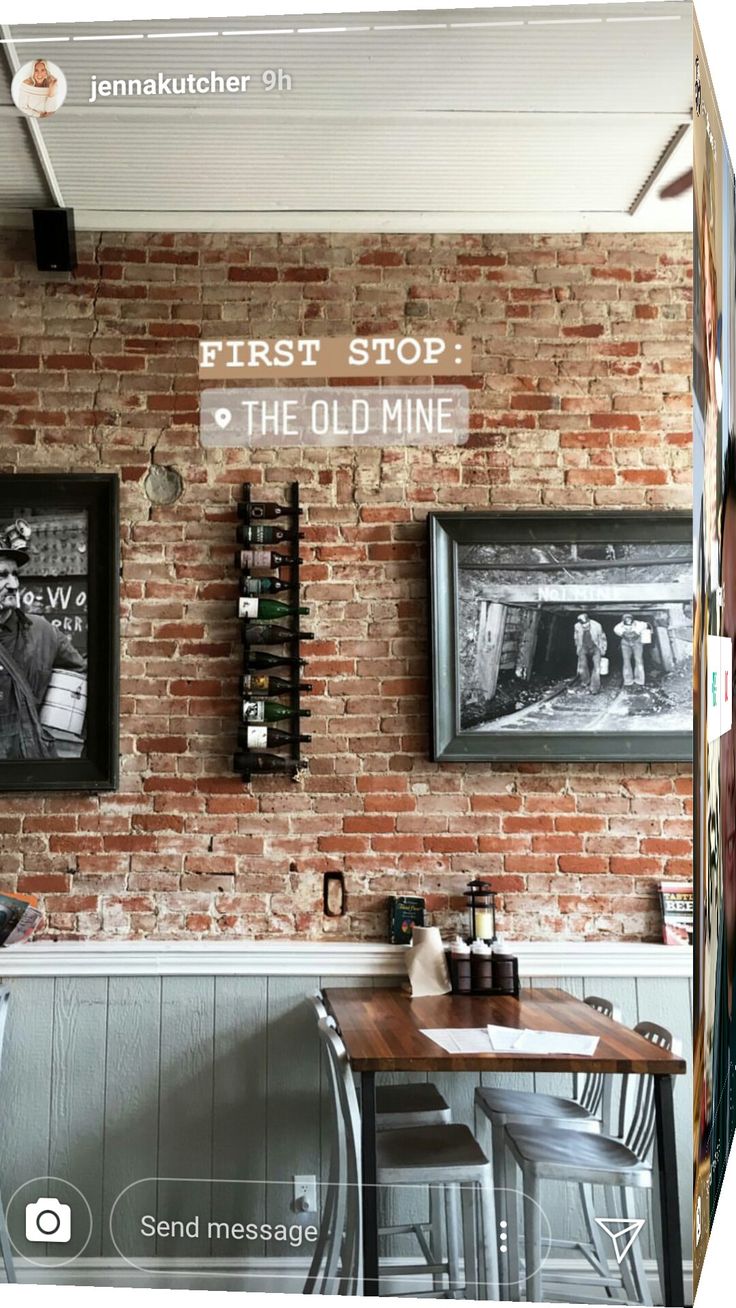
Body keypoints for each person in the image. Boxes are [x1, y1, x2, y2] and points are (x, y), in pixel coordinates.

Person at [0, 521, 86, 760]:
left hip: (32, 760)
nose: (13, 584)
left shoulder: (42, 631)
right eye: (2, 575)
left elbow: (81, 676)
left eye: (15, 575)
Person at [573, 612, 606, 695]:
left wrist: (603, 649)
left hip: (595, 646)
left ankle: (594, 687)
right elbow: (576, 638)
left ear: (589, 621)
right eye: (583, 624)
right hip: (583, 646)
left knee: (597, 667)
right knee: (582, 665)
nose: (585, 626)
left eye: (587, 623)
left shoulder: (597, 625)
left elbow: (602, 637)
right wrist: (578, 649)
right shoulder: (577, 626)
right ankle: (585, 682)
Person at [613, 612, 649, 688]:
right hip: (625, 643)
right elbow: (617, 631)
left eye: (630, 619)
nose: (628, 620)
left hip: (637, 642)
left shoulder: (639, 624)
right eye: (626, 619)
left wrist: (637, 632)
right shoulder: (618, 627)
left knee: (638, 660)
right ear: (623, 620)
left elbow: (646, 625)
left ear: (632, 619)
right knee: (626, 661)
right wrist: (624, 634)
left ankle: (639, 680)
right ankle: (628, 681)